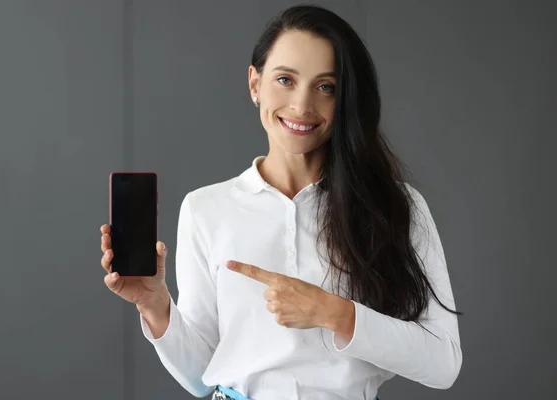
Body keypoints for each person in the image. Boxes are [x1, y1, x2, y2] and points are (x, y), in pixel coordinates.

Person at [99, 5, 462, 400]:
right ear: (255, 84)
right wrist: (156, 307)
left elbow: (443, 363)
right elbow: (201, 377)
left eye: (326, 87)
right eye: (285, 79)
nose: (302, 106)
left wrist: (333, 312)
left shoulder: (397, 206)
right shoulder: (206, 209)